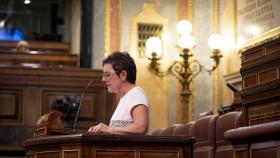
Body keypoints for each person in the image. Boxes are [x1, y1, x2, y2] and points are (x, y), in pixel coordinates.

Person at [88, 51, 149, 135]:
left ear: (123, 75)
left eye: (108, 75)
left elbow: (141, 127)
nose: (103, 79)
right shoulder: (125, 98)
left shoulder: (136, 94)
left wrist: (108, 129)